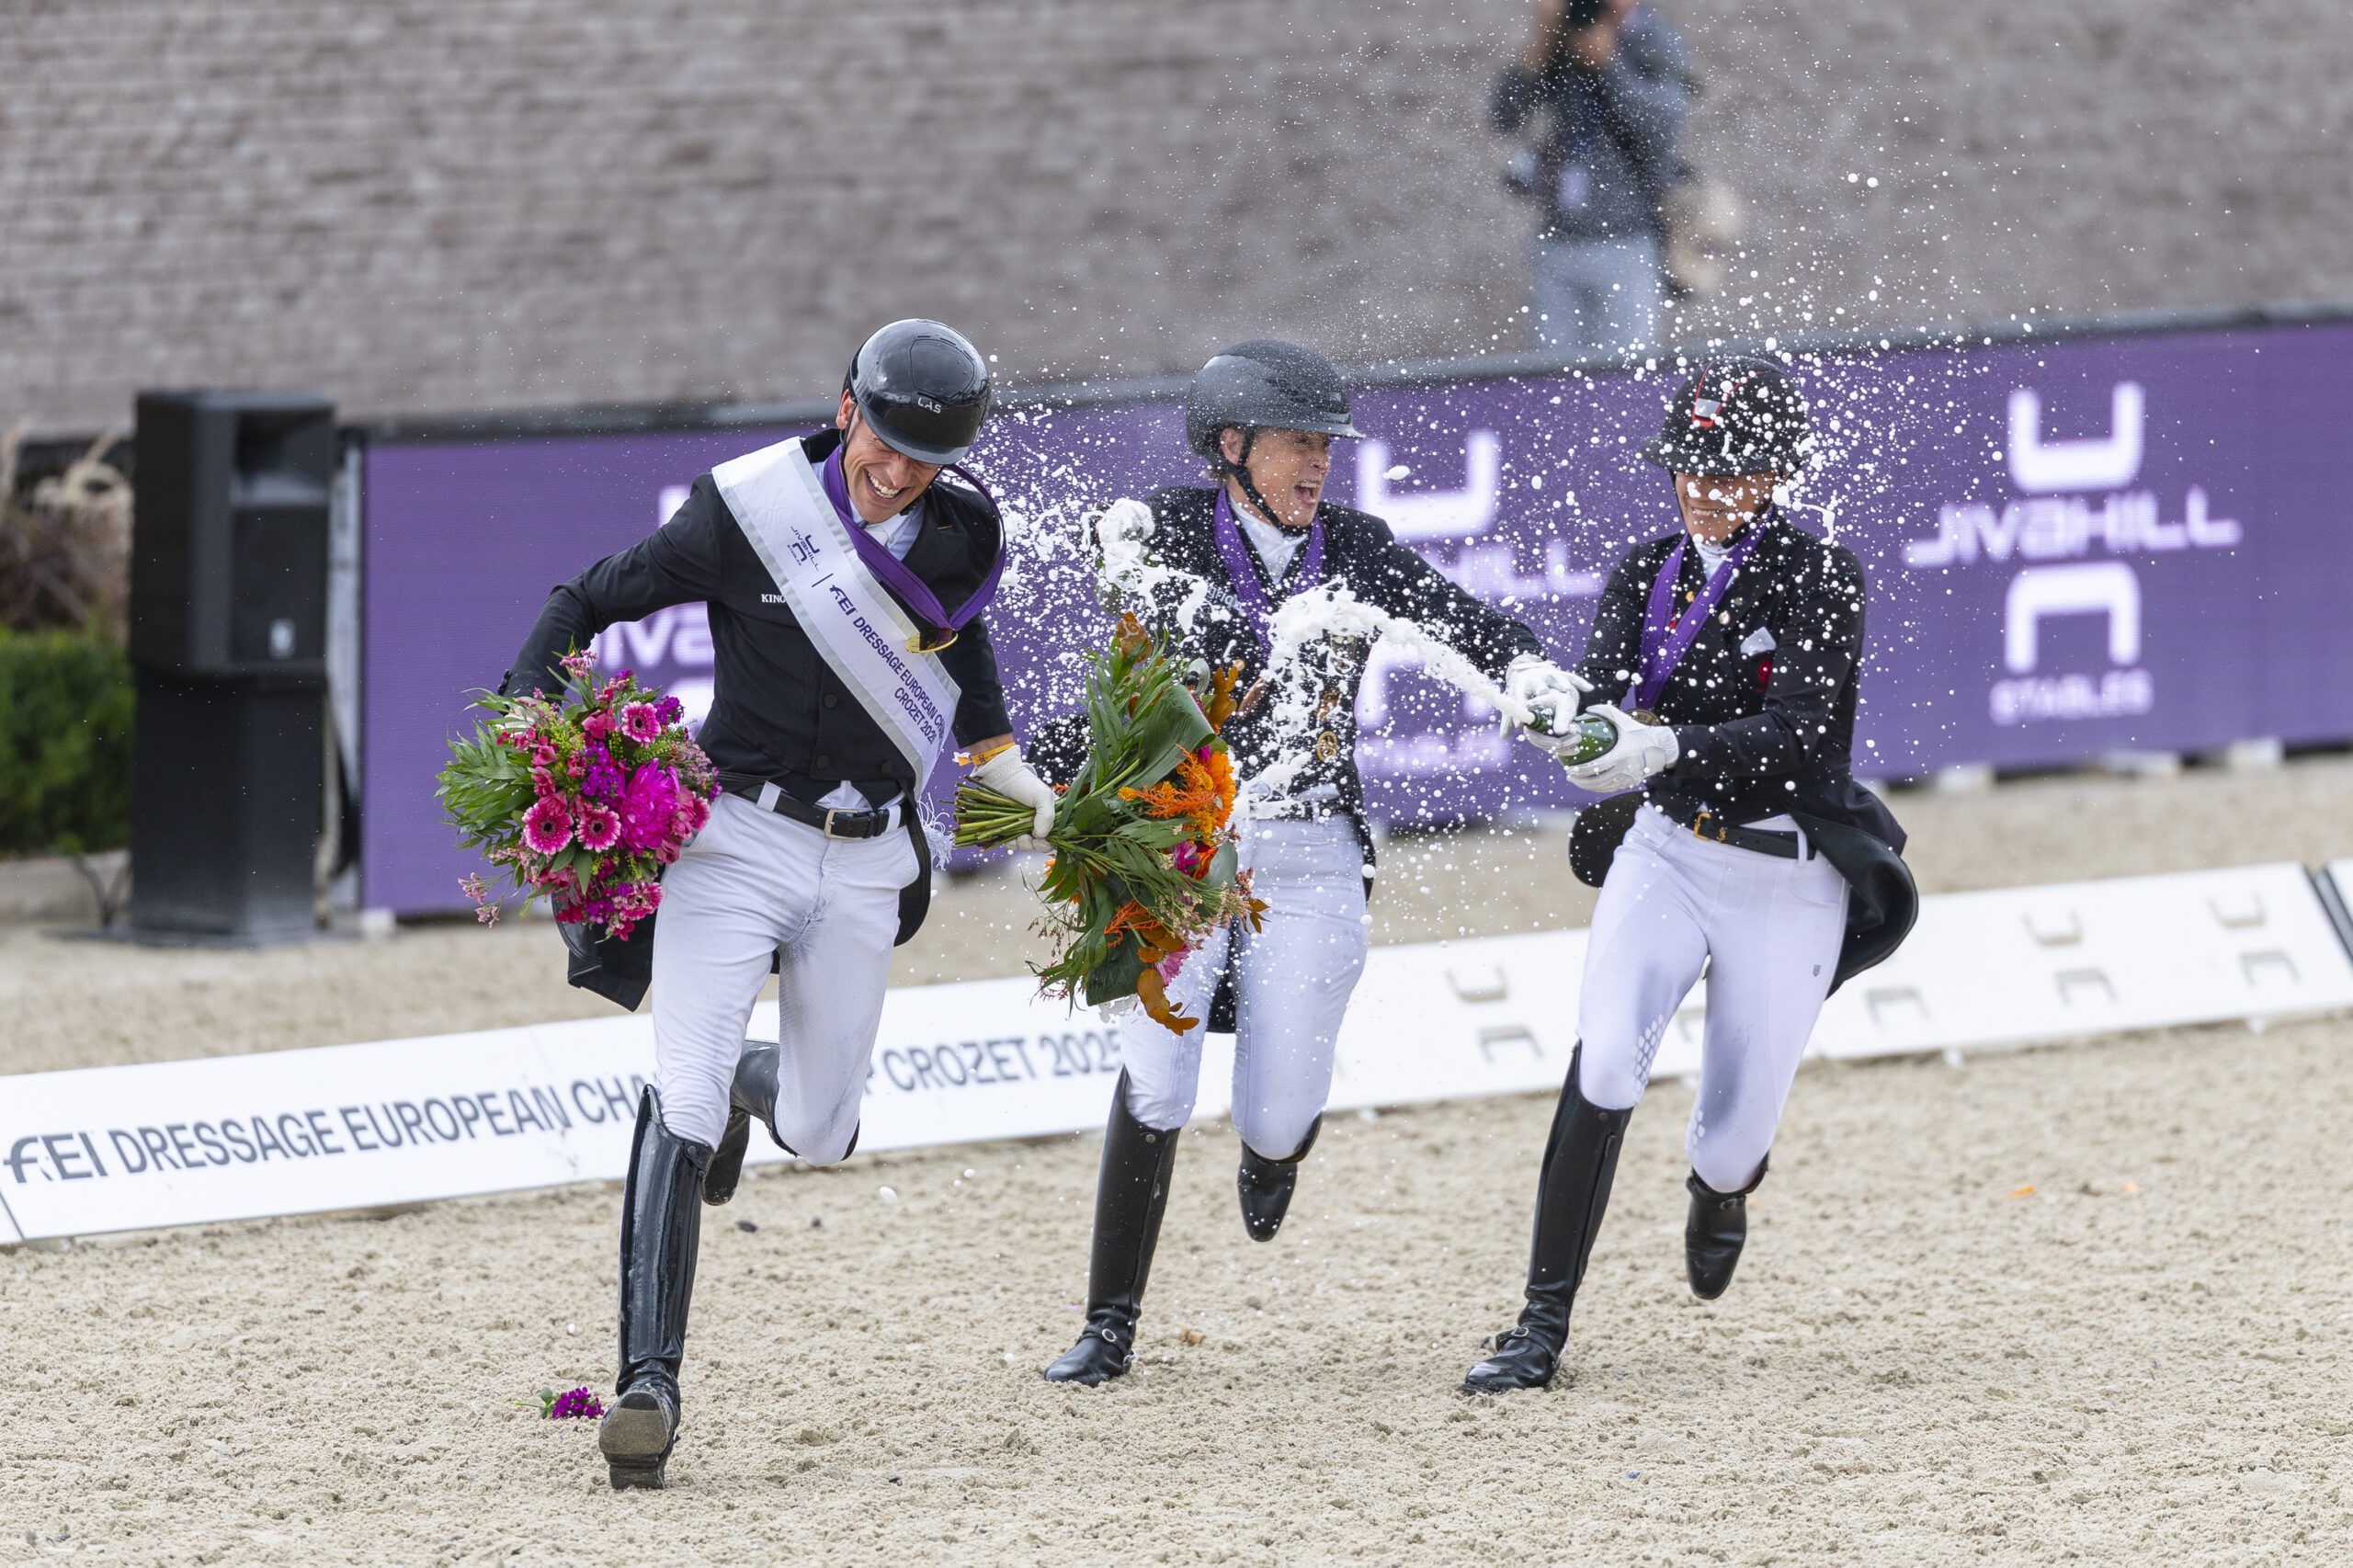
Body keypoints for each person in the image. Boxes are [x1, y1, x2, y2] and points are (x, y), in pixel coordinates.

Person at [501, 320, 1058, 1486]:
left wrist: (1056, 810)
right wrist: (526, 721)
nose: (895, 472)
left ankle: (763, 1086)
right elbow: (587, 596)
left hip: (864, 860)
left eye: (924, 457)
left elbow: (978, 712)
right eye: (886, 440)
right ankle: (647, 1385)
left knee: (820, 1126)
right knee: (680, 1085)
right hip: (735, 837)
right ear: (845, 406)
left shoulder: (959, 541)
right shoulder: (748, 507)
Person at [1038, 340, 1586, 1385]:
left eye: (1325, 445)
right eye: (1299, 443)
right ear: (1231, 446)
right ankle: (1108, 1323)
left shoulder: (1360, 548)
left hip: (1305, 845)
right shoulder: (1158, 529)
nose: (1319, 463)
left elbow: (1464, 622)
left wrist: (1530, 675)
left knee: (1278, 1108)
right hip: (1174, 844)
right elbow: (1109, 608)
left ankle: (1271, 1145)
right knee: (1155, 1078)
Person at [1461, 355, 1916, 1393]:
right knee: (1609, 1060)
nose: (1707, 488)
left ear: (1775, 475)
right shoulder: (1642, 570)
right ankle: (1537, 1325)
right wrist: (1569, 726)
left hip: (1784, 868)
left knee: (1728, 1138)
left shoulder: (1821, 575)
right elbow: (1613, 703)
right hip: (1664, 852)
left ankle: (1720, 1190)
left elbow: (1802, 738)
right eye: (1693, 467)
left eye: (1734, 470)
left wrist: (1664, 747)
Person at [1492, 0, 1693, 356]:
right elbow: (1503, 116)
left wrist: (1609, 66)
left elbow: (1661, 128)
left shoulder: (1652, 39)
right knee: (1552, 379)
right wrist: (1539, 43)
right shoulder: (1563, 38)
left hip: (1626, 242)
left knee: (1625, 377)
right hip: (1558, 241)